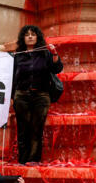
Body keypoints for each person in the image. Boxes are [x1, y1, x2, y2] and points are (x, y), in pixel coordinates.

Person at [12, 25, 63, 164]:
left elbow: (57, 68)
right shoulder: (17, 56)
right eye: (27, 34)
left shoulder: (45, 54)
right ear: (23, 38)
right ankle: (22, 160)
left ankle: (34, 159)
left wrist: (54, 54)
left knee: (36, 128)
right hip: (21, 95)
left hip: (41, 96)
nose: (29, 37)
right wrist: (12, 97)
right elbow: (12, 77)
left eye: (33, 34)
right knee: (23, 128)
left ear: (37, 37)